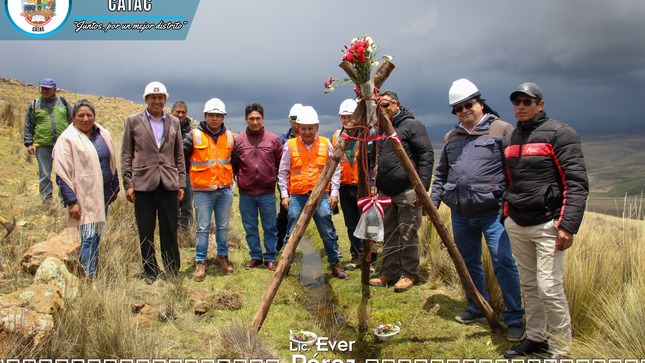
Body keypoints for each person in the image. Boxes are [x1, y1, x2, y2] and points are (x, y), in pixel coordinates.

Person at [430, 79, 525, 341]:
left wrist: (511, 203)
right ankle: (478, 307)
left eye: (468, 105)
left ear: (479, 103)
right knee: (468, 262)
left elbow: (515, 171)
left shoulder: (502, 129)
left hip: (493, 213)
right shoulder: (452, 137)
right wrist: (434, 201)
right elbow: (441, 173)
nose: (463, 111)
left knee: (503, 261)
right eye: (458, 108)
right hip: (460, 213)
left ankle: (515, 317)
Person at [502, 82, 589, 359]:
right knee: (529, 285)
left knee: (549, 288)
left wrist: (567, 226)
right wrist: (506, 214)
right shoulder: (513, 137)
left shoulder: (560, 133)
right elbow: (509, 179)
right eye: (517, 102)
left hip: (547, 224)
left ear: (540, 104)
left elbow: (576, 183)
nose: (521, 107)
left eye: (527, 102)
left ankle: (562, 349)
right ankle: (536, 338)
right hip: (518, 221)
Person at [369, 90, 434, 293]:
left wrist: (421, 188)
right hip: (385, 191)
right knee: (389, 234)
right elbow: (374, 159)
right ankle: (389, 272)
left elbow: (426, 154)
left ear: (396, 104)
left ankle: (409, 273)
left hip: (407, 190)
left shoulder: (412, 126)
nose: (383, 110)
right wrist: (374, 183)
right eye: (379, 106)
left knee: (407, 233)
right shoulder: (378, 129)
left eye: (386, 105)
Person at [121, 81, 186, 284]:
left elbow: (179, 155)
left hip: (168, 183)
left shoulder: (173, 122)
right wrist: (128, 183)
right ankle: (150, 269)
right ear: (146, 99)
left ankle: (172, 267)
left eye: (160, 98)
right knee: (145, 229)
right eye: (153, 98)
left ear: (165, 100)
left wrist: (181, 182)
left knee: (169, 228)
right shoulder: (133, 121)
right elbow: (126, 154)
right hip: (142, 184)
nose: (157, 101)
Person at [277, 106, 349, 280]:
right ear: (298, 128)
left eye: (311, 128)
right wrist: (285, 195)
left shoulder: (326, 143)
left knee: (327, 230)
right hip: (297, 196)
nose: (307, 132)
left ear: (317, 127)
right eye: (303, 128)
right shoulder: (290, 145)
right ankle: (284, 265)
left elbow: (335, 170)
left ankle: (335, 264)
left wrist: (334, 193)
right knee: (292, 231)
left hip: (321, 196)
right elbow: (283, 172)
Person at [53, 99, 119, 279]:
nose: (85, 119)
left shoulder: (102, 134)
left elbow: (111, 161)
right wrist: (71, 201)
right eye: (80, 115)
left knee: (96, 235)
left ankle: (92, 270)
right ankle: (89, 277)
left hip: (102, 195)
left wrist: (115, 187)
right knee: (88, 237)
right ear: (73, 117)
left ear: (94, 116)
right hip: (83, 197)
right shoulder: (67, 139)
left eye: (89, 115)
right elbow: (62, 173)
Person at [183, 98, 237, 281]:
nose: (214, 118)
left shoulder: (229, 137)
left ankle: (222, 256)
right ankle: (200, 261)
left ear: (223, 117)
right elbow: (182, 159)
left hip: (223, 190)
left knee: (222, 227)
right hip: (202, 191)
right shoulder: (194, 136)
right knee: (203, 227)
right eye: (211, 115)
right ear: (205, 116)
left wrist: (231, 182)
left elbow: (234, 162)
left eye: (218, 115)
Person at [233, 103, 282, 272]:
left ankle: (270, 257)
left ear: (263, 119)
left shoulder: (273, 139)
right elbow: (234, 164)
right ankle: (255, 256)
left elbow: (280, 163)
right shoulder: (238, 140)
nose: (255, 122)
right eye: (251, 119)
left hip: (267, 192)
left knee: (270, 226)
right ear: (246, 119)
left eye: (258, 118)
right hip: (246, 193)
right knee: (250, 226)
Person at [331, 98, 375, 272]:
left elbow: (373, 164)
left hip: (362, 187)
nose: (346, 120)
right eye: (343, 117)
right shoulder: (337, 136)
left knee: (367, 223)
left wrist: (373, 185)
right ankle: (357, 256)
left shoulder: (368, 135)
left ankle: (370, 259)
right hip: (344, 186)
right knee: (351, 223)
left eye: (350, 116)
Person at [23, 77, 71, 205]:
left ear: (55, 90)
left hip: (63, 146)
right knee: (44, 176)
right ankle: (47, 204)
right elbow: (29, 125)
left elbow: (72, 121)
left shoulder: (63, 102)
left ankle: (64, 204)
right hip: (43, 146)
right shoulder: (35, 104)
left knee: (63, 175)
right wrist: (29, 143)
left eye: (48, 89)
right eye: (43, 88)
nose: (44, 91)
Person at [275, 103, 303, 252]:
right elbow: (279, 166)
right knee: (285, 215)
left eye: (299, 119)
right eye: (293, 119)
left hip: (306, 185)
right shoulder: (282, 140)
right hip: (287, 185)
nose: (296, 122)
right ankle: (279, 244)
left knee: (320, 216)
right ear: (290, 120)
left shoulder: (312, 137)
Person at [171, 101, 194, 234]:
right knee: (170, 205)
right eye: (177, 112)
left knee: (186, 205)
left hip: (186, 173)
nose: (180, 114)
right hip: (168, 173)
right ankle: (172, 231)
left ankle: (185, 233)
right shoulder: (165, 128)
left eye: (183, 112)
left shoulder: (192, 131)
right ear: (172, 112)